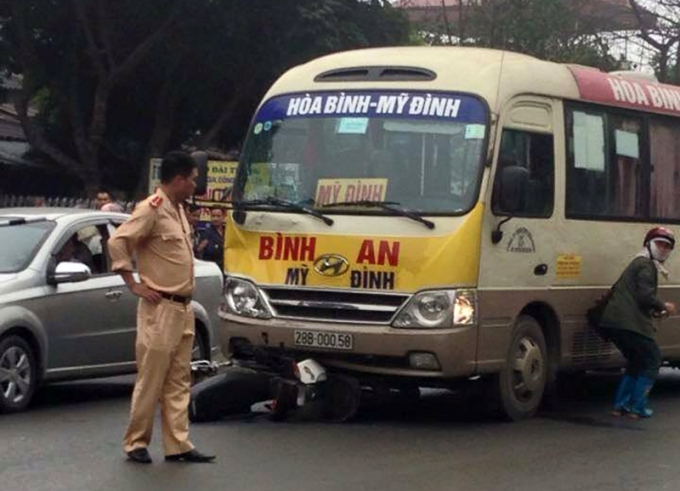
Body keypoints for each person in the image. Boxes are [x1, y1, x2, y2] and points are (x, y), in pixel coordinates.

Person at [108, 151, 215, 464]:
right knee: (152, 379)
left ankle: (178, 444)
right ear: (179, 179)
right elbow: (118, 241)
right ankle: (136, 442)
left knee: (179, 379)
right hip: (160, 307)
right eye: (192, 179)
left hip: (183, 307)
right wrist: (133, 283)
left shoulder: (178, 209)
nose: (195, 185)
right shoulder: (151, 208)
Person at [599, 227, 677, 419]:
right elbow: (645, 296)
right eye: (659, 244)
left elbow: (638, 297)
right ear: (648, 244)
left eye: (667, 246)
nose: (663, 249)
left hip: (615, 322)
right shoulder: (646, 265)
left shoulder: (638, 262)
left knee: (636, 361)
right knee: (652, 359)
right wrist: (664, 306)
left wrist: (655, 310)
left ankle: (621, 405)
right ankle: (638, 407)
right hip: (630, 323)